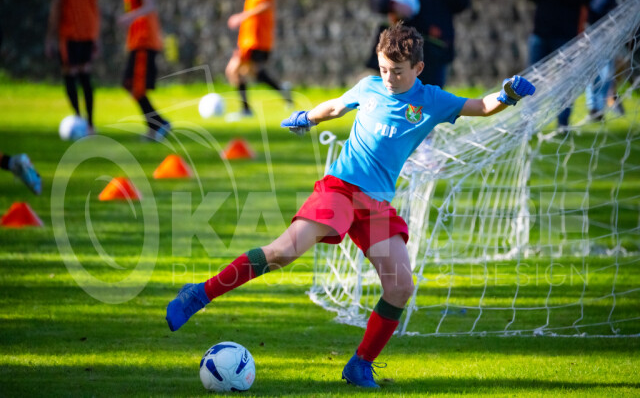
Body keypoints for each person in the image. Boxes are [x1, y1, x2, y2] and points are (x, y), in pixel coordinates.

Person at [166, 23, 534, 388]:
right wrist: (308, 117)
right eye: (384, 69)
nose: (388, 78)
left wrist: (506, 95)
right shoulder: (369, 87)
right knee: (283, 252)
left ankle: (360, 365)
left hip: (376, 206)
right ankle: (199, 294)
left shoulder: (433, 100)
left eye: (397, 71)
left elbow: (481, 106)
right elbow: (336, 107)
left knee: (400, 287)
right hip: (340, 190)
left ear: (419, 68)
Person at [369, 0, 470, 88]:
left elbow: (462, 4)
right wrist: (394, 5)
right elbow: (376, 0)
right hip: (403, 51)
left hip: (435, 51)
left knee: (431, 93)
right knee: (398, 93)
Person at [527, 0, 596, 130]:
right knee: (532, 79)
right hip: (540, 33)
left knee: (566, 80)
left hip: (566, 35)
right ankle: (527, 122)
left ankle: (563, 123)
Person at [225, 0, 291, 122]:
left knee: (236, 71)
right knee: (248, 72)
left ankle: (246, 109)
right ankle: (282, 91)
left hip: (256, 40)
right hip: (249, 40)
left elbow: (265, 5)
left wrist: (241, 16)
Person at [117, 0, 170, 141]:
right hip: (138, 42)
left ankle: (158, 124)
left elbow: (149, 5)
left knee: (135, 86)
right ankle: (157, 123)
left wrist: (129, 17)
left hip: (144, 42)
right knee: (130, 84)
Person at [45, 0, 100, 134]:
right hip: (88, 31)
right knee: (84, 74)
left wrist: (50, 36)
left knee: (69, 73)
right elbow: (95, 5)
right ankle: (90, 124)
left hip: (69, 32)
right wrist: (96, 36)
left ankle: (79, 120)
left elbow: (56, 6)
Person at [585, 0, 639, 120]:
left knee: (608, 67)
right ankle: (593, 105)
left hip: (614, 22)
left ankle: (600, 106)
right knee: (594, 65)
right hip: (593, 21)